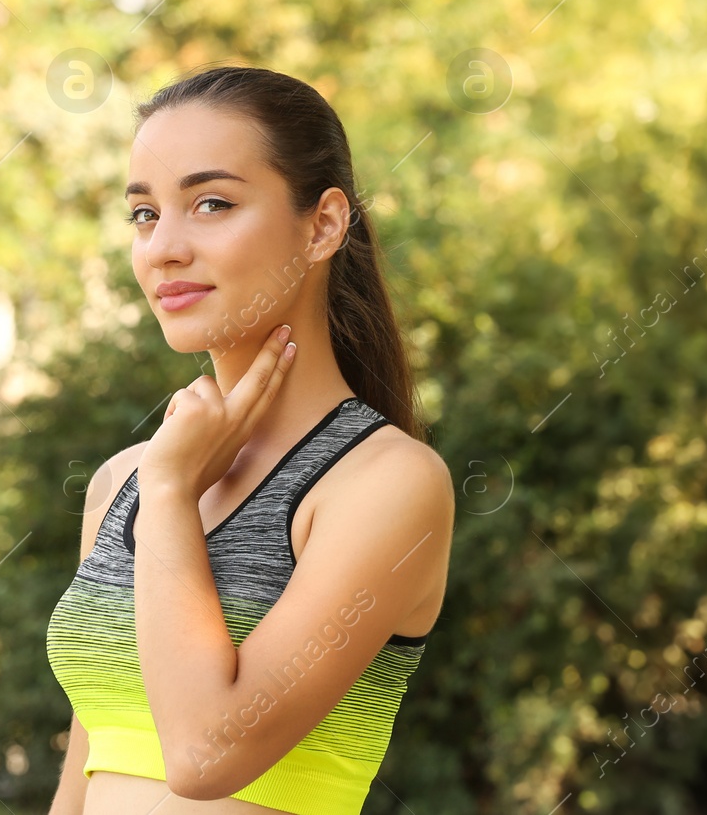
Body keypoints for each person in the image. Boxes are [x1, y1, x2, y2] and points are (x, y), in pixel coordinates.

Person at [44, 66, 455, 814]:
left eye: (211, 203)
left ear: (324, 224)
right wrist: (160, 479)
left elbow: (206, 753)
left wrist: (171, 492)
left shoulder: (387, 483)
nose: (164, 247)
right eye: (144, 213)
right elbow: (85, 770)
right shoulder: (120, 483)